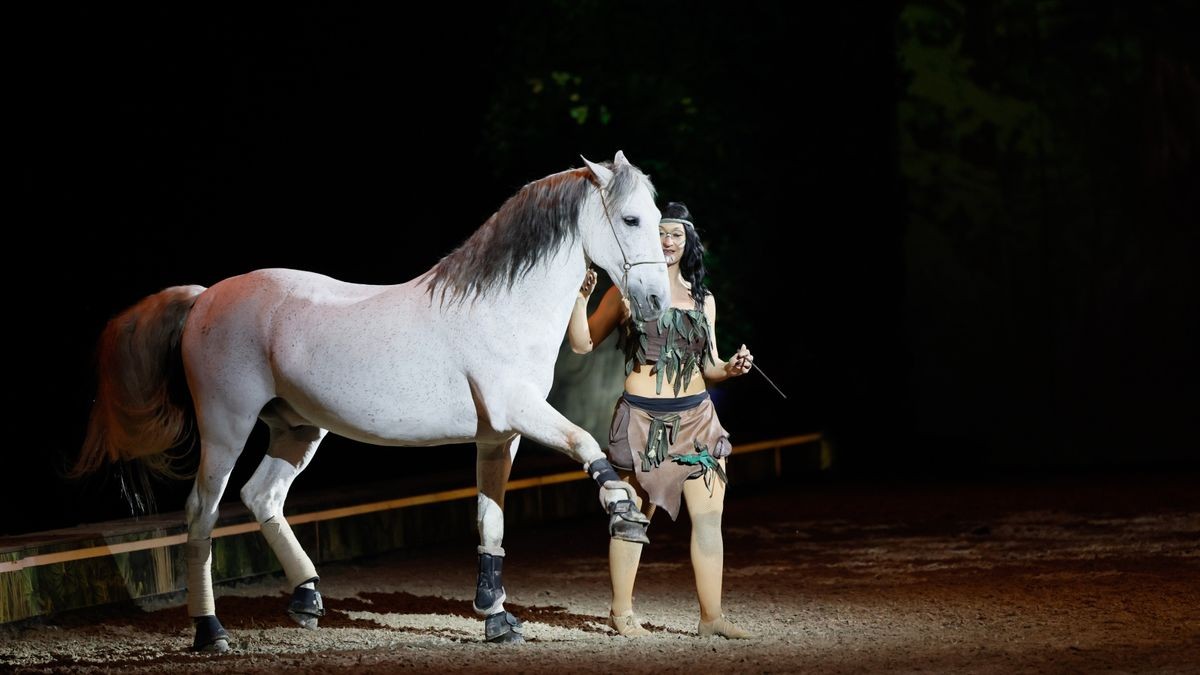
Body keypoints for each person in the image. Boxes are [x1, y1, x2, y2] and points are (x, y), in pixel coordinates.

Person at [567, 201, 754, 639]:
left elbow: (708, 365)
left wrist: (732, 368)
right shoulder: (626, 292)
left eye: (676, 235)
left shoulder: (702, 300)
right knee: (632, 516)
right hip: (643, 423)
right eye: (661, 233)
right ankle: (622, 613)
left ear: (688, 243)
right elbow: (582, 343)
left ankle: (712, 619)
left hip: (697, 420)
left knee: (709, 519)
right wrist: (580, 300)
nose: (667, 241)